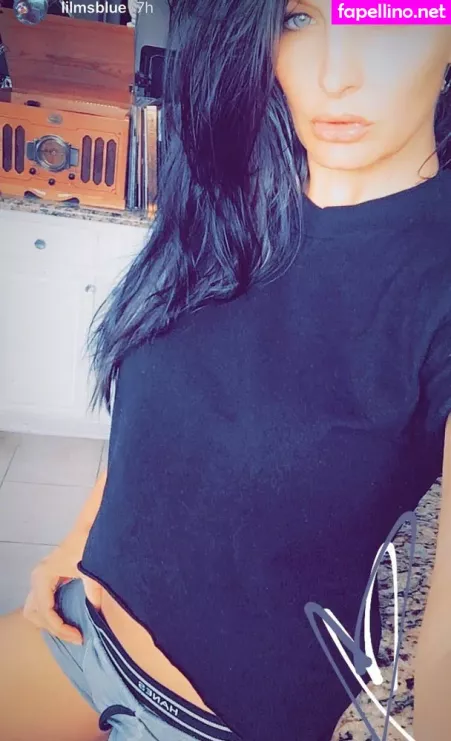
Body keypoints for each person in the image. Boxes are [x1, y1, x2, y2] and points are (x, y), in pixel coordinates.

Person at [1, 1, 451, 740]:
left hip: (205, 721)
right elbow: (162, 408)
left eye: (384, 15)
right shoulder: (228, 195)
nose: (335, 74)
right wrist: (76, 539)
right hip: (81, 627)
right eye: (298, 20)